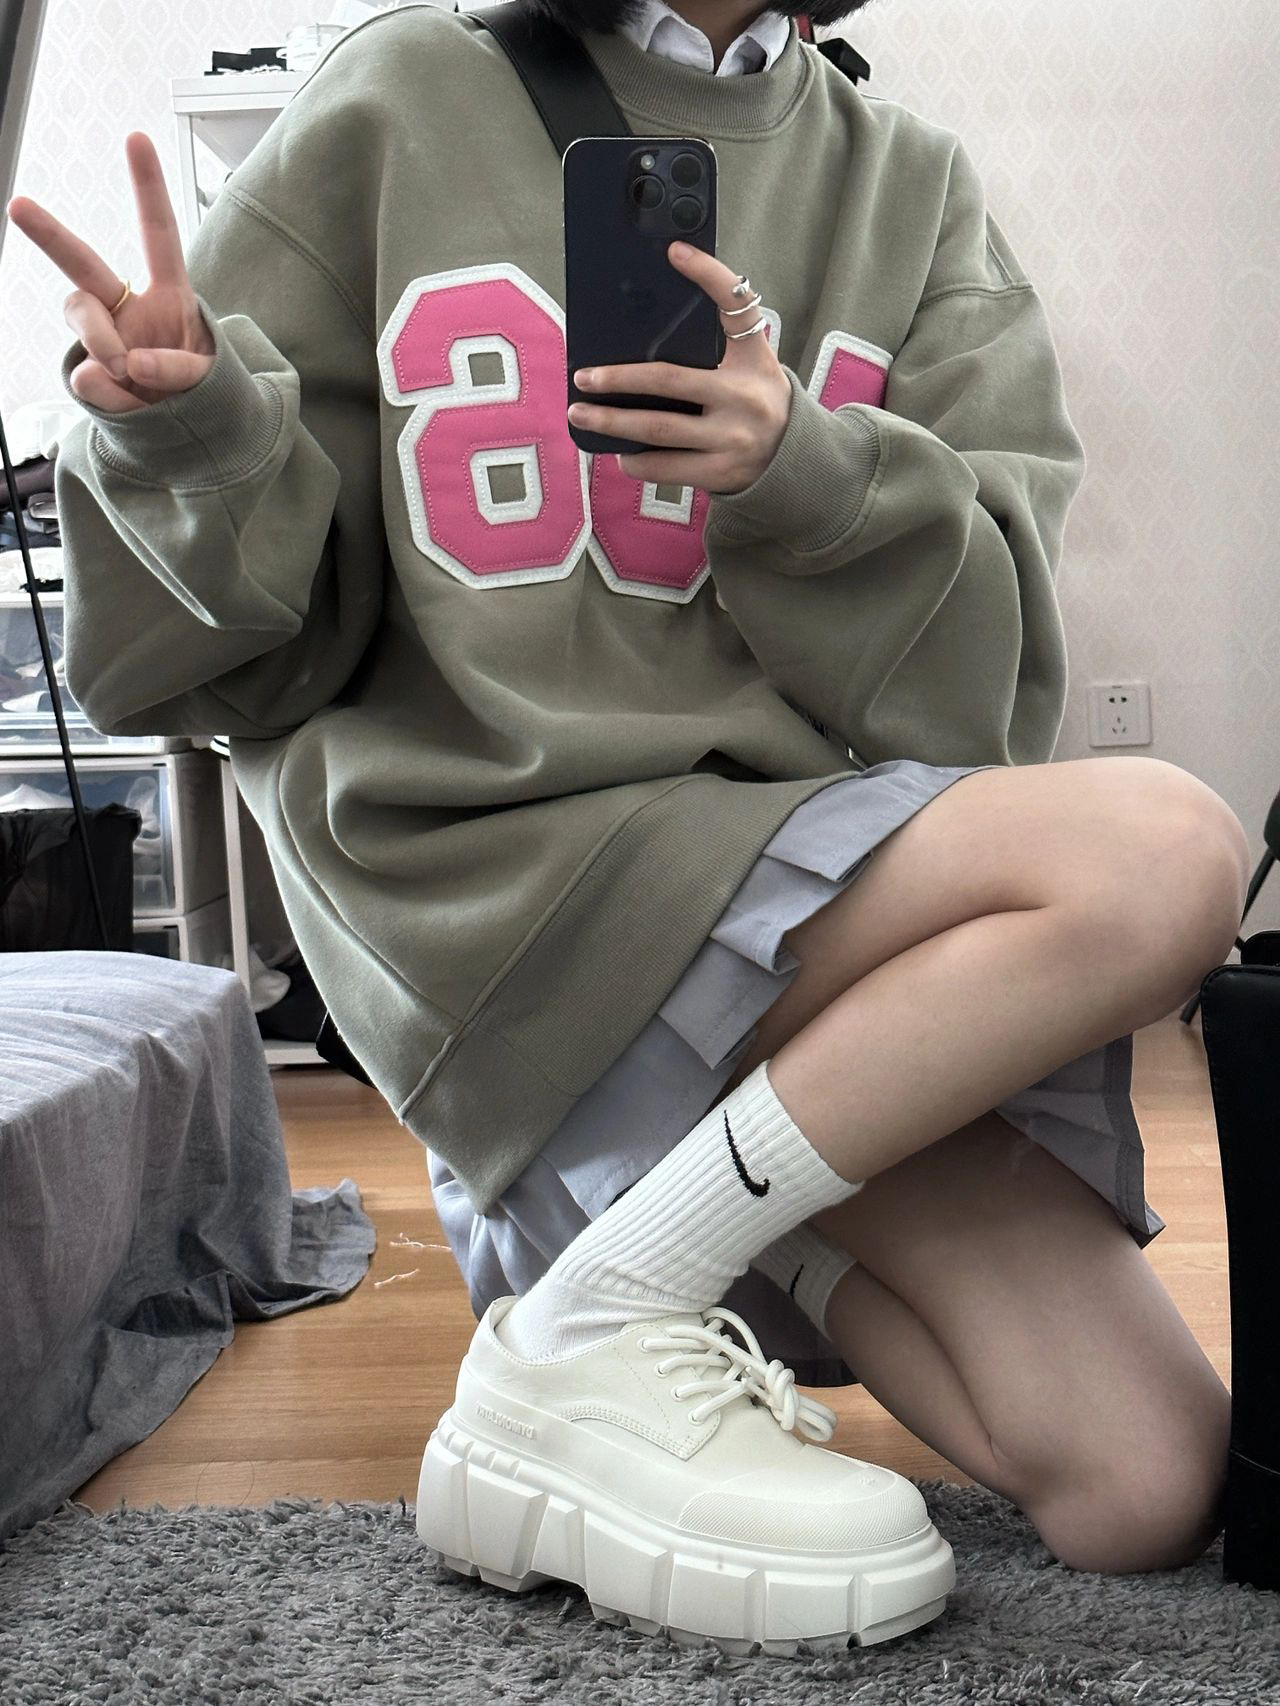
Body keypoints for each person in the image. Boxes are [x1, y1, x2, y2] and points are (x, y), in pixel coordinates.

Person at [8, 0, 1252, 1654]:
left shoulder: (910, 189)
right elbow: (232, 669)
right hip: (490, 881)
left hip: (786, 902)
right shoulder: (400, 99)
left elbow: (979, 698)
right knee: (1164, 854)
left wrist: (800, 469)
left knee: (1145, 1478)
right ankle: (606, 1298)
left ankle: (608, 1269)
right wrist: (186, 436)